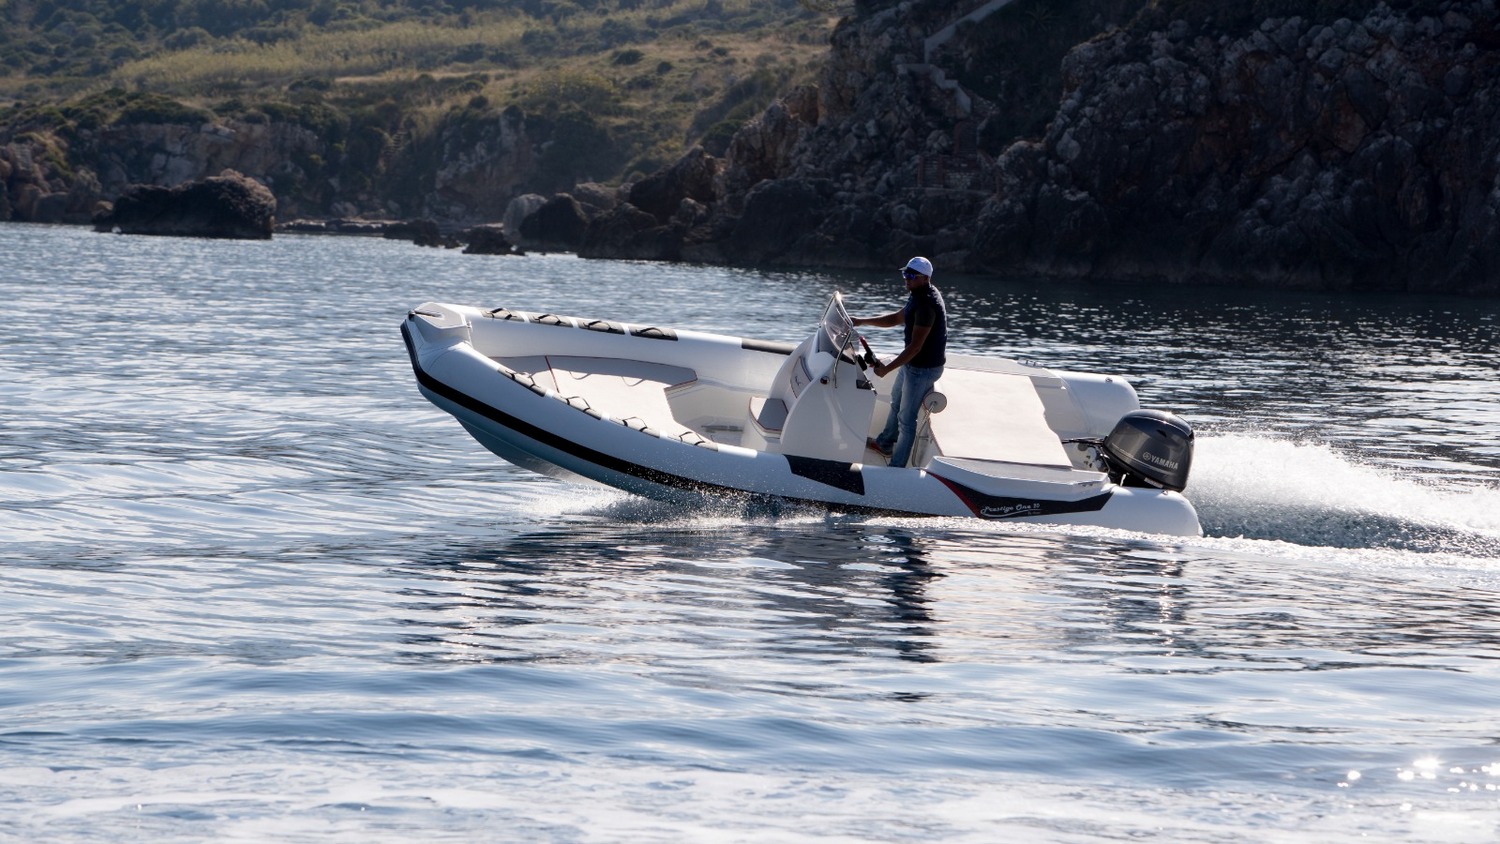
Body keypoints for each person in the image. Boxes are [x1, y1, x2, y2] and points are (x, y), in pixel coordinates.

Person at [851, 256, 947, 468]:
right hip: (913, 364)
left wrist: (887, 369)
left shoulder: (926, 306)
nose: (906, 279)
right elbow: (895, 318)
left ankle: (896, 467)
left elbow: (915, 347)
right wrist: (862, 321)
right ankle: (885, 443)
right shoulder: (917, 294)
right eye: (905, 274)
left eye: (911, 276)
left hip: (923, 369)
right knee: (896, 399)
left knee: (906, 419)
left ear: (924, 278)